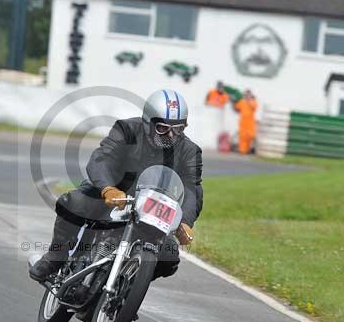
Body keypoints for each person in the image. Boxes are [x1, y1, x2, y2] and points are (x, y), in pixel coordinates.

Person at [29, 89, 203, 282]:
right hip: (111, 194)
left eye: (178, 129)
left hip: (152, 209)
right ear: (148, 122)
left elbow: (192, 188)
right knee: (72, 203)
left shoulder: (190, 151)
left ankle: (127, 291)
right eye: (162, 128)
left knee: (168, 257)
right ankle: (55, 258)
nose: (170, 135)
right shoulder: (127, 129)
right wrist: (108, 188)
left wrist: (185, 222)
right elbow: (102, 158)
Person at [234, 89, 257, 155]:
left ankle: (247, 149)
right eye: (246, 95)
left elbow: (254, 107)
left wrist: (249, 101)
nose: (247, 96)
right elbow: (236, 108)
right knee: (242, 136)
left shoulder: (253, 101)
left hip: (250, 122)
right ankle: (242, 150)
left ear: (250, 95)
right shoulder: (242, 101)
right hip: (243, 122)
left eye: (248, 95)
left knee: (250, 136)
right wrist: (235, 102)